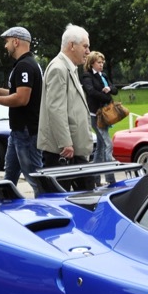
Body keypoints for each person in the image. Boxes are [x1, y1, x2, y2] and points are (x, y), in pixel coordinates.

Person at [0, 26, 43, 189]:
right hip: (18, 132)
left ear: (16, 41)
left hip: (26, 131)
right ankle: (1, 203)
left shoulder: (25, 66)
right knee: (9, 176)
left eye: (7, 42)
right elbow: (18, 92)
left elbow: (22, 98)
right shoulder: (25, 64)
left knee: (35, 178)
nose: (5, 46)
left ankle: (47, 208)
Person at [37, 24, 94, 190]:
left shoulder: (68, 67)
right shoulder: (58, 68)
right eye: (85, 46)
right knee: (63, 200)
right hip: (64, 152)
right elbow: (56, 108)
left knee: (86, 195)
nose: (88, 51)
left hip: (71, 149)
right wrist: (65, 143)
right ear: (71, 45)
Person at [81, 50, 118, 183]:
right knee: (109, 144)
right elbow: (90, 92)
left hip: (105, 114)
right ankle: (110, 178)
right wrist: (106, 96)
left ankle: (95, 177)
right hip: (95, 114)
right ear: (92, 63)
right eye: (99, 62)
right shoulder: (87, 76)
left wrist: (109, 89)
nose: (101, 65)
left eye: (102, 62)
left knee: (102, 146)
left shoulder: (104, 75)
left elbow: (115, 89)